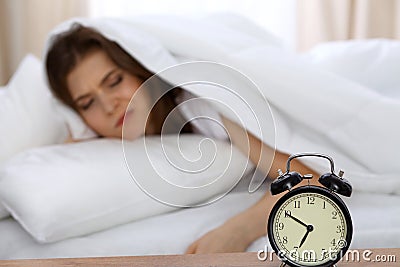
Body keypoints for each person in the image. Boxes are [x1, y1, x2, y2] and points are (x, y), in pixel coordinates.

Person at [45, 24, 320, 254]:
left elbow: (307, 180)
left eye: (114, 81)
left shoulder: (202, 107)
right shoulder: (98, 141)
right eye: (87, 102)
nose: (108, 106)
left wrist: (239, 230)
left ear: (137, 69)